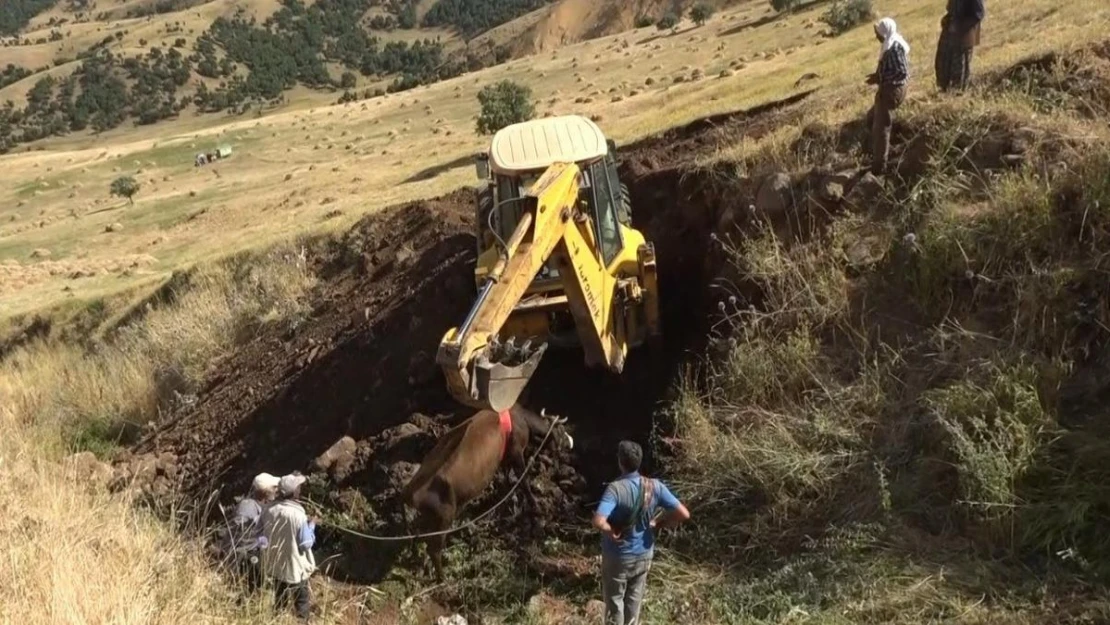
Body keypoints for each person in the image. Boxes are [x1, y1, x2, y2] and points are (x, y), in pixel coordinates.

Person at [591, 441, 690, 625]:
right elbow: (683, 514)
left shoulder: (615, 489)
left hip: (617, 556)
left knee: (614, 603)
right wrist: (659, 524)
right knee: (633, 603)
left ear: (620, 462)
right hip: (644, 554)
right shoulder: (655, 486)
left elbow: (598, 521)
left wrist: (610, 530)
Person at [261, 473, 317, 621]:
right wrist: (312, 525)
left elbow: (260, 536)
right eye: (299, 487)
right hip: (295, 570)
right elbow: (306, 544)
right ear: (294, 492)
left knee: (279, 602)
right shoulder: (298, 515)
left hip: (276, 566)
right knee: (302, 604)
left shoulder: (269, 510)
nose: (300, 489)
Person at [222, 472, 280, 596]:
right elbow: (238, 533)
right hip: (243, 557)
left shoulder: (263, 507)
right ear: (265, 492)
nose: (277, 490)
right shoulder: (247, 506)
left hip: (253, 555)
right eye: (274, 487)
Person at [865, 17, 910, 176]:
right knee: (871, 118)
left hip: (893, 90)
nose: (876, 36)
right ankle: (878, 152)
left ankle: (879, 167)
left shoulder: (894, 48)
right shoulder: (889, 45)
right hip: (890, 88)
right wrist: (877, 77)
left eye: (878, 33)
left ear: (885, 33)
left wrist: (882, 79)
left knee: (881, 127)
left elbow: (902, 71)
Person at [935, 0, 985, 92]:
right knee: (943, 61)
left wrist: (961, 27)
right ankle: (944, 89)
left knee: (959, 67)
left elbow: (978, 14)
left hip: (965, 33)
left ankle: (957, 92)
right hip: (952, 27)